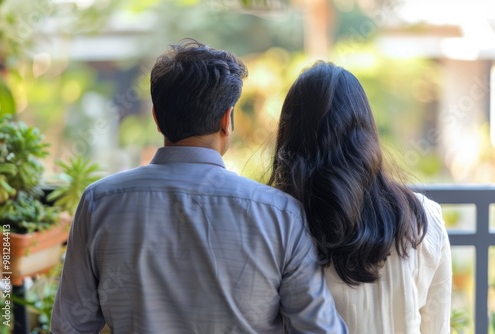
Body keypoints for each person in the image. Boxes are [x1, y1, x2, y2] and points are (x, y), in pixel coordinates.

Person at [50, 40, 347, 334]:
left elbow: (70, 326)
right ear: (226, 120)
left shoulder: (99, 202)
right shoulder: (281, 215)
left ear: (156, 117)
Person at [268, 61, 452, 334]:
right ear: (366, 130)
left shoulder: (273, 222)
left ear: (290, 136)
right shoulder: (424, 219)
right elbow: (436, 327)